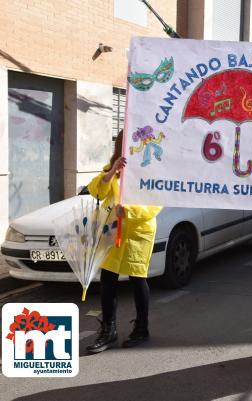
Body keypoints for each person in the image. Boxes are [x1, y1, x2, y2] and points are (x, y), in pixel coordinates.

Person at [86, 130, 162, 354]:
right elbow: (95, 190)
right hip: (113, 229)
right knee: (108, 278)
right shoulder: (114, 167)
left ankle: (141, 328)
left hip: (138, 230)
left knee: (138, 278)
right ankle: (108, 331)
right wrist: (111, 173)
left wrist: (128, 211)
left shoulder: (151, 166)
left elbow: (156, 202)